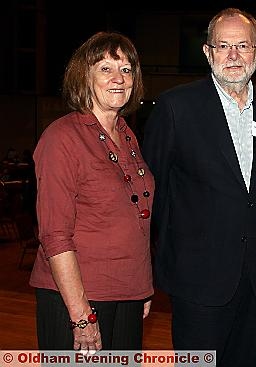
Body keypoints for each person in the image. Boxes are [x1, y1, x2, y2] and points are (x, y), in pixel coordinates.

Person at [142, 8, 256, 366]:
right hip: (197, 279)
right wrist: (151, 265)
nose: (234, 56)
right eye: (223, 46)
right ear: (208, 52)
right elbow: (153, 193)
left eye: (243, 45)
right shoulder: (175, 107)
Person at [30, 31, 154, 354]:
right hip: (77, 300)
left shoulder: (127, 135)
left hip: (127, 295)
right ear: (85, 77)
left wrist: (141, 286)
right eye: (106, 68)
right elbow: (55, 235)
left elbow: (135, 218)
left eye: (126, 69)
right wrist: (81, 315)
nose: (119, 78)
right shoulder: (61, 138)